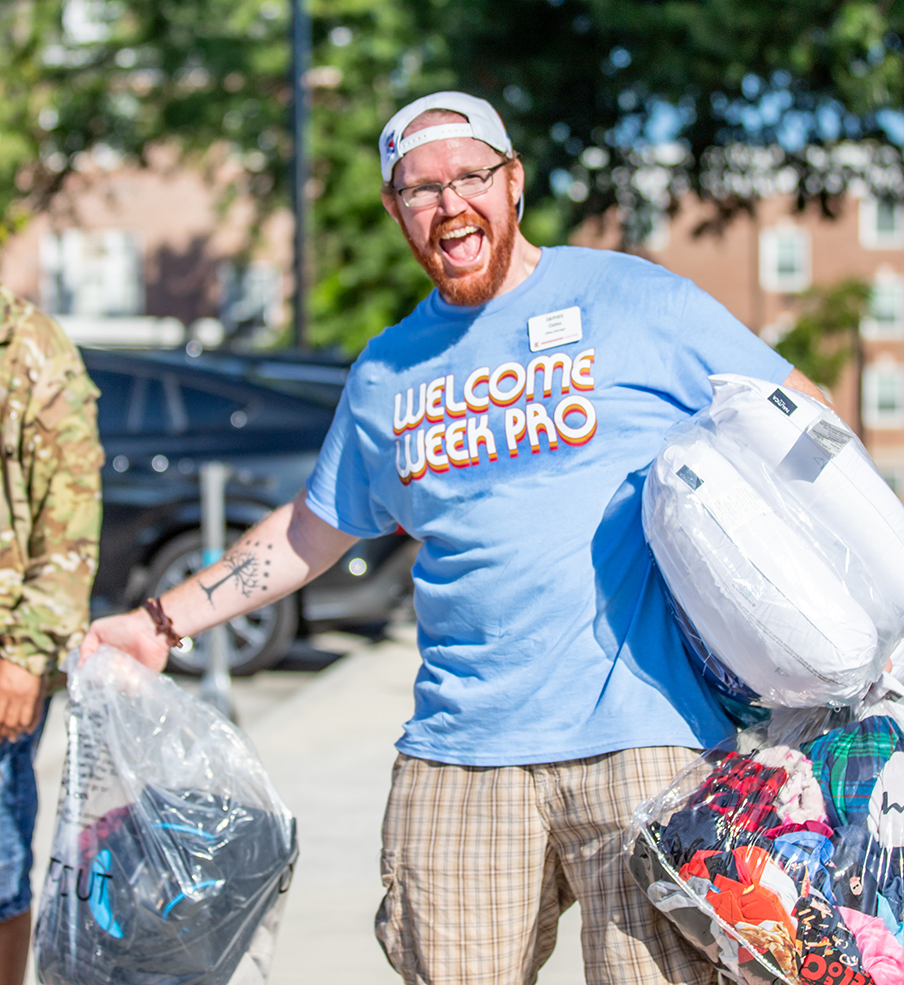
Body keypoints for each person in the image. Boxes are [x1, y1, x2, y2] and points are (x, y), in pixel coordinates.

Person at [82, 92, 829, 984]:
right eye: (419, 191)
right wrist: (159, 623)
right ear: (399, 212)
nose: (447, 205)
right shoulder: (387, 371)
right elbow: (313, 529)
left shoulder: (633, 298)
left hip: (653, 743)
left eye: (468, 177)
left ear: (512, 184)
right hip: (460, 755)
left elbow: (802, 419)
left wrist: (848, 608)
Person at [0, 285, 103, 985]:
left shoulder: (29, 347)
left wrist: (25, 657)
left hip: (3, 654)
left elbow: (69, 512)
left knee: (1, 871)